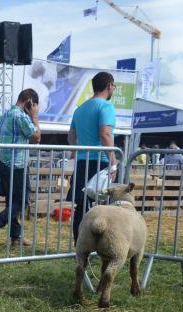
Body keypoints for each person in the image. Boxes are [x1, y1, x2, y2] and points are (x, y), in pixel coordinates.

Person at [0, 89, 42, 249]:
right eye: (35, 105)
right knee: (22, 202)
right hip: (17, 166)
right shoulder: (21, 116)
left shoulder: (3, 117)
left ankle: (16, 236)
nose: (35, 109)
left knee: (12, 201)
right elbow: (36, 138)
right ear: (30, 102)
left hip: (4, 165)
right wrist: (34, 117)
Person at [67, 71, 117, 243]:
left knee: (81, 206)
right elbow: (105, 134)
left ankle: (79, 244)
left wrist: (76, 151)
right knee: (104, 206)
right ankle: (103, 244)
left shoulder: (80, 109)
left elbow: (71, 137)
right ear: (109, 86)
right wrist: (114, 162)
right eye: (114, 87)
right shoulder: (106, 106)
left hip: (82, 162)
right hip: (100, 162)